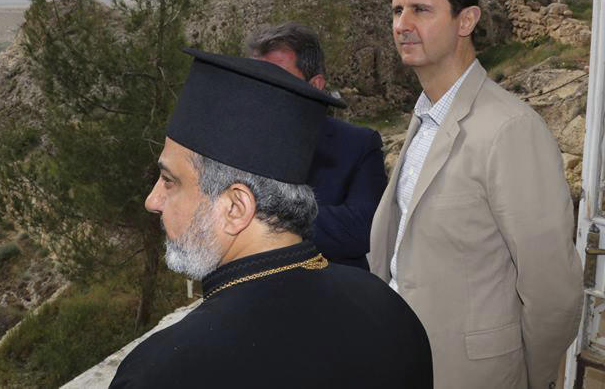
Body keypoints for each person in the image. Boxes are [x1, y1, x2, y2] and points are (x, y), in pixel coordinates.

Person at [110, 48, 432, 388]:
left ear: (236, 208)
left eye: (169, 181)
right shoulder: (389, 310)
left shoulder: (160, 372)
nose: (153, 200)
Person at [369, 0, 583, 389]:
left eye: (421, 10)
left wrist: (525, 379)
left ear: (465, 21)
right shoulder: (424, 119)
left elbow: (553, 293)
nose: (401, 24)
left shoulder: (510, 129)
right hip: (402, 362)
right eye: (397, 10)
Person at [247, 23, 386, 269]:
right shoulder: (238, 142)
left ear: (315, 85)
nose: (266, 90)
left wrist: (266, 216)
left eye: (279, 79)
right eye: (259, 79)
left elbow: (363, 229)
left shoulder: (359, 145)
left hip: (334, 298)